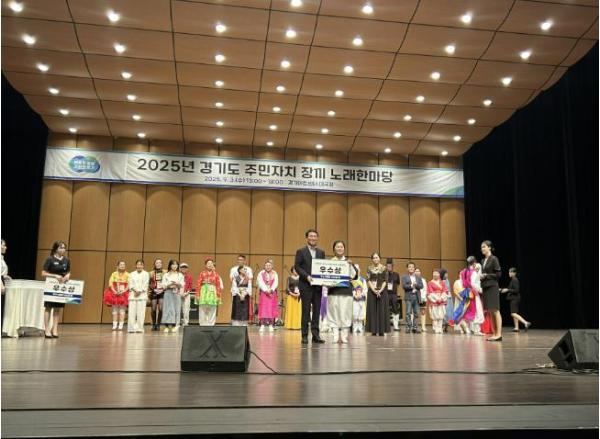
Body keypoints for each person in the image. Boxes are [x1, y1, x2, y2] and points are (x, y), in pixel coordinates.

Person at [294, 229, 326, 345]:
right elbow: (297, 267)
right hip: (305, 285)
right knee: (306, 311)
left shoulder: (321, 252)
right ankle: (304, 335)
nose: (313, 238)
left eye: (315, 236)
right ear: (307, 238)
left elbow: (323, 267)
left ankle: (316, 335)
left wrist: (324, 280)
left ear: (317, 238)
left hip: (317, 287)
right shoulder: (301, 251)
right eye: (311, 236)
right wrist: (307, 276)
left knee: (316, 311)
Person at [327, 241, 358, 344]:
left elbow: (354, 276)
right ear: (334, 249)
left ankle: (344, 336)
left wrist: (351, 265)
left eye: (341, 247)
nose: (339, 248)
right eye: (337, 247)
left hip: (346, 292)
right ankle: (335, 336)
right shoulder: (330, 262)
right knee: (333, 313)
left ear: (344, 249)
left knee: (345, 313)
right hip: (333, 291)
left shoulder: (348, 262)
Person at [41, 241, 70, 338]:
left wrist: (67, 276)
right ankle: (47, 329)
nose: (63, 250)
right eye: (61, 248)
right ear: (56, 249)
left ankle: (55, 329)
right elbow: (43, 273)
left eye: (64, 248)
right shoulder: (50, 259)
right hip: (51, 286)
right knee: (48, 307)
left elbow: (68, 272)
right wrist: (55, 276)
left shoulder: (66, 260)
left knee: (57, 309)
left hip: (61, 287)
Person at [480, 240, 502, 341]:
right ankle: (494, 333)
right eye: (481, 247)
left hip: (492, 287)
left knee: (495, 310)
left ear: (489, 247)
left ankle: (499, 334)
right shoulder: (482, 261)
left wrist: (486, 275)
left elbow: (498, 274)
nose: (482, 249)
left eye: (484, 247)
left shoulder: (494, 259)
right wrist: (481, 276)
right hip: (485, 287)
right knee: (490, 311)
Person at [366, 252, 390, 336]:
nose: (375, 259)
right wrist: (374, 290)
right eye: (374, 258)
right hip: (372, 292)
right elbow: (368, 280)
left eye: (377, 257)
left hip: (382, 292)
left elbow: (385, 281)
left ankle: (381, 330)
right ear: (372, 259)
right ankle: (373, 330)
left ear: (380, 258)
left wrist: (380, 290)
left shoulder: (384, 268)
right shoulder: (369, 268)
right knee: (372, 310)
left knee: (381, 310)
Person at [501, 267, 531, 332]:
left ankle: (526, 323)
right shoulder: (513, 280)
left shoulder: (515, 280)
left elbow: (516, 290)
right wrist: (503, 290)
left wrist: (507, 290)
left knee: (513, 313)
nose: (509, 273)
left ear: (514, 273)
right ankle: (516, 327)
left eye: (510, 272)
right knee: (515, 312)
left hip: (515, 298)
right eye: (509, 272)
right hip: (514, 298)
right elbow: (510, 289)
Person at [102, 261, 130, 331]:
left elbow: (129, 284)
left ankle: (121, 325)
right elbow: (110, 283)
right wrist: (114, 291)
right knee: (115, 309)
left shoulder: (128, 274)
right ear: (118, 266)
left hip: (124, 293)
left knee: (122, 310)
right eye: (121, 264)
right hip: (114, 293)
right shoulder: (114, 274)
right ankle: (114, 325)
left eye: (124, 264)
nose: (122, 266)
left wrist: (123, 291)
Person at [196, 258, 223, 326]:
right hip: (204, 292)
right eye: (208, 263)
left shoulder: (216, 274)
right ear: (205, 265)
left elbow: (218, 285)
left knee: (212, 309)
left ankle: (211, 324)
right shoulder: (202, 273)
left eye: (211, 263)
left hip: (212, 292)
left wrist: (218, 296)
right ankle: (202, 324)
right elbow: (198, 284)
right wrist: (198, 295)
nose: (210, 265)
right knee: (202, 309)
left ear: (213, 265)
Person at [161, 260, 184, 333]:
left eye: (176, 264)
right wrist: (169, 285)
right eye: (173, 264)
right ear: (170, 265)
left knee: (176, 308)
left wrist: (177, 284)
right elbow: (163, 285)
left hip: (176, 293)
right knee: (167, 308)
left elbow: (182, 284)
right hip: (168, 292)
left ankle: (175, 325)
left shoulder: (180, 275)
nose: (174, 266)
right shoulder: (166, 275)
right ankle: (167, 326)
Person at [230, 255, 254, 322]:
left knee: (244, 309)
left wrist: (244, 293)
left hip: (245, 292)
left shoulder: (249, 269)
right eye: (239, 259)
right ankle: (235, 323)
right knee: (236, 308)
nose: (240, 261)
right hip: (237, 292)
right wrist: (239, 293)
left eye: (241, 260)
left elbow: (250, 280)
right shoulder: (233, 269)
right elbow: (232, 280)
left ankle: (244, 324)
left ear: (245, 261)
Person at [257, 259, 279, 332]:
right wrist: (266, 290)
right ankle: (262, 325)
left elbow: (276, 283)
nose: (268, 266)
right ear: (264, 266)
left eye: (269, 265)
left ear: (272, 266)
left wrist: (271, 290)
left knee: (271, 308)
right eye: (266, 265)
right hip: (264, 293)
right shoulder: (261, 273)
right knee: (263, 308)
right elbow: (260, 282)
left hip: (272, 293)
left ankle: (271, 325)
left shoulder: (275, 273)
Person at [128, 259, 149, 333]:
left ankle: (139, 328)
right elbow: (130, 284)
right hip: (133, 295)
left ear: (143, 266)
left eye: (141, 264)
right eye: (138, 264)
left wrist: (139, 291)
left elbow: (145, 284)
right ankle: (131, 328)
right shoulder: (131, 274)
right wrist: (135, 291)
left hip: (142, 295)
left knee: (141, 313)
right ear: (136, 265)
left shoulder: (146, 274)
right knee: (132, 313)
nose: (139, 266)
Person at [401, 262, 423, 333]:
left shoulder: (418, 277)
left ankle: (415, 328)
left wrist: (416, 285)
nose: (411, 268)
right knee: (408, 313)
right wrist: (411, 285)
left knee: (416, 313)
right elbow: (404, 286)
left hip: (416, 297)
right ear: (407, 268)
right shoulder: (404, 277)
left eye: (412, 267)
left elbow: (421, 286)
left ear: (414, 268)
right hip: (409, 297)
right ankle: (408, 327)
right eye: (409, 267)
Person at [427, 270, 449, 334]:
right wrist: (436, 299)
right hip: (434, 300)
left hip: (441, 299)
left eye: (437, 273)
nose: (435, 275)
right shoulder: (430, 283)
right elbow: (430, 292)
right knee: (435, 315)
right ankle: (436, 328)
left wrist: (441, 298)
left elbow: (444, 291)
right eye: (434, 273)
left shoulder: (442, 282)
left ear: (439, 275)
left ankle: (440, 328)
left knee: (441, 315)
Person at [149, 259, 166, 331]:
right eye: (157, 263)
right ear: (154, 264)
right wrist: (153, 289)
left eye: (160, 263)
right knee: (153, 309)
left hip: (162, 291)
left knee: (161, 309)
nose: (158, 264)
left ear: (161, 264)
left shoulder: (165, 272)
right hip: (154, 291)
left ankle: (158, 324)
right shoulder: (151, 273)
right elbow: (149, 283)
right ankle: (153, 324)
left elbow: (166, 282)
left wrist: (163, 289)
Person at [385, 258, 402, 331]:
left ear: (392, 266)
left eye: (390, 266)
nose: (389, 267)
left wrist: (396, 292)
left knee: (395, 309)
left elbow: (398, 284)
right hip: (386, 294)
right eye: (387, 266)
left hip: (394, 294)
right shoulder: (384, 274)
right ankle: (385, 325)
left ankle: (396, 326)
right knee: (386, 309)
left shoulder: (396, 274)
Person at [352, 268, 367, 334]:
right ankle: (355, 327)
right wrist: (354, 295)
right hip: (354, 300)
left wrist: (360, 295)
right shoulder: (352, 280)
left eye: (357, 271)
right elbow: (351, 289)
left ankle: (360, 327)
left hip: (361, 299)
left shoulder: (362, 280)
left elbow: (365, 289)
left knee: (361, 313)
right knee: (355, 313)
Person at [1, 239, 11, 326]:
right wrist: (1, 285)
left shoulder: (2, 258)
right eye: (3, 245)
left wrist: (5, 276)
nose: (5, 247)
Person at [180, 263, 194, 327]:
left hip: (186, 294)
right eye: (182, 267)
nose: (184, 269)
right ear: (180, 269)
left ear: (187, 269)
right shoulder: (178, 276)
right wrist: (180, 293)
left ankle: (186, 323)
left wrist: (186, 293)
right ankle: (178, 322)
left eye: (185, 267)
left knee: (186, 309)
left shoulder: (189, 277)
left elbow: (190, 286)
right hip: (178, 294)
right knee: (178, 309)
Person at [415, 268, 428, 333]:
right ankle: (414, 326)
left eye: (418, 271)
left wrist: (424, 297)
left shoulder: (423, 280)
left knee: (423, 312)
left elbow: (425, 289)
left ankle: (423, 326)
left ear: (420, 272)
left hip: (422, 298)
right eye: (416, 271)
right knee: (415, 312)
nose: (417, 272)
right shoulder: (412, 279)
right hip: (415, 298)